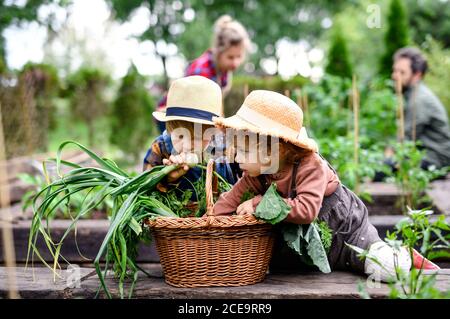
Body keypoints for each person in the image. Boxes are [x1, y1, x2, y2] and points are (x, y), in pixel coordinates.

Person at [211, 90, 439, 282]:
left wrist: (259, 203)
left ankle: (403, 256)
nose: (237, 157)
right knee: (281, 270)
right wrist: (207, 223)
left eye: (243, 150)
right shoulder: (256, 172)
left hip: (345, 232)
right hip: (305, 241)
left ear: (274, 149)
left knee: (382, 267)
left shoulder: (310, 165)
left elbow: (307, 210)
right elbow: (229, 201)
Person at [143, 75, 240, 200]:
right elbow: (144, 191)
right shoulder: (160, 149)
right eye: (180, 135)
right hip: (175, 219)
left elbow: (250, 181)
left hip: (220, 218)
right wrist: (167, 177)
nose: (187, 145)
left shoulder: (226, 148)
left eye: (198, 137)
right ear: (170, 128)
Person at [154, 15, 251, 133]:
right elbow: (199, 110)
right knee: (183, 147)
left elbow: (216, 106)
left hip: (193, 116)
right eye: (230, 57)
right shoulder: (202, 70)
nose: (235, 63)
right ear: (219, 52)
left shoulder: (223, 71)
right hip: (171, 115)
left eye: (239, 57)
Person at [375, 47, 450, 181]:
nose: (394, 75)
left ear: (417, 75)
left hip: (435, 161)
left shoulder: (419, 99)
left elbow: (405, 138)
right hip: (426, 156)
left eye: (402, 72)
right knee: (380, 166)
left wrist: (385, 161)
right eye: (395, 70)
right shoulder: (415, 94)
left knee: (379, 171)